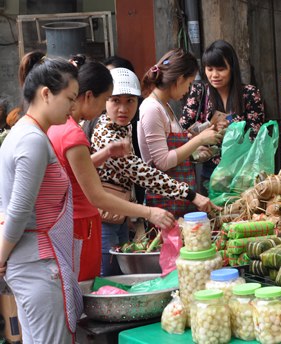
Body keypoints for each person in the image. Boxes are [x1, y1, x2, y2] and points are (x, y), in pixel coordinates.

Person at [48, 57, 174, 281]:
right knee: (94, 284)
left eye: (129, 101)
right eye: (109, 100)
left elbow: (72, 172)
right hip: (82, 225)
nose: (117, 109)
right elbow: (97, 197)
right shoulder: (73, 134)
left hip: (77, 223)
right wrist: (149, 212)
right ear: (88, 96)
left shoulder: (58, 128)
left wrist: (106, 153)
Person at [92, 67, 218, 275]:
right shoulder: (107, 134)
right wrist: (190, 194)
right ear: (105, 101)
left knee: (119, 278)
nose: (123, 108)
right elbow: (144, 174)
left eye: (130, 101)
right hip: (104, 220)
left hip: (120, 215)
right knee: (108, 278)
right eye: (116, 101)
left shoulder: (123, 126)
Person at [0, 53, 81, 343]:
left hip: (32, 263)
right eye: (70, 98)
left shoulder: (22, 133)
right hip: (38, 266)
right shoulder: (32, 140)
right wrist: (0, 258)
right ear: (46, 94)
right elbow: (18, 211)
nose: (73, 107)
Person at [138, 48, 222, 218]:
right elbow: (162, 162)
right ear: (179, 79)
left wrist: (195, 146)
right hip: (165, 202)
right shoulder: (152, 108)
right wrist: (198, 141)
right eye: (189, 83)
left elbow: (174, 145)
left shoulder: (165, 105)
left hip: (180, 198)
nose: (189, 90)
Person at [180, 40, 265, 193]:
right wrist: (198, 142)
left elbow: (257, 135)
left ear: (232, 68)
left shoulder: (249, 93)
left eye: (221, 69)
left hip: (242, 172)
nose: (214, 75)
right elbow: (182, 129)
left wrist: (231, 131)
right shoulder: (200, 92)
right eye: (209, 69)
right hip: (209, 172)